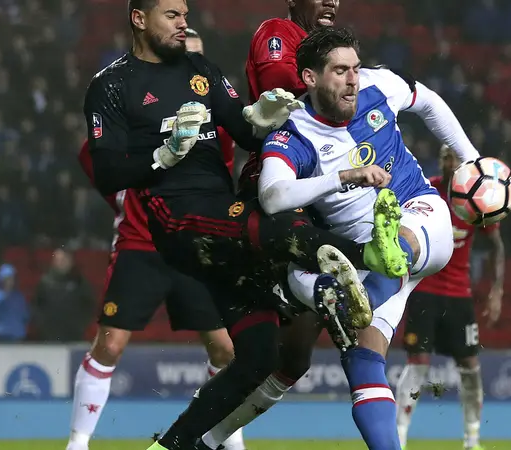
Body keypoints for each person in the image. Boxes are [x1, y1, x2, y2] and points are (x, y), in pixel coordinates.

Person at [81, 2, 407, 449]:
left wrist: (267, 117)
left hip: (221, 219)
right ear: (139, 19)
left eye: (185, 14)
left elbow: (247, 131)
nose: (183, 24)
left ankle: (170, 445)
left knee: (259, 355)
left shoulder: (200, 69)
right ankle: (360, 262)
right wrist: (162, 156)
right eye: (172, 15)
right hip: (178, 220)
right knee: (279, 227)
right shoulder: (112, 86)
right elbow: (106, 173)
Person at [196, 27, 483, 450]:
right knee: (362, 359)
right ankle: (209, 439)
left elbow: (426, 100)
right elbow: (273, 195)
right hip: (365, 263)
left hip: (421, 218)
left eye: (355, 68)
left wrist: (471, 160)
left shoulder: (378, 85)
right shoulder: (293, 132)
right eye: (340, 71)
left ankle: (376, 259)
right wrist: (342, 178)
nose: (353, 79)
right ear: (310, 78)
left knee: (383, 253)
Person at [69, 141, 244, 450]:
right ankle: (78, 443)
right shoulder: (135, 113)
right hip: (139, 244)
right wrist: (122, 197)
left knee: (226, 350)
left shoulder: (207, 111)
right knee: (109, 345)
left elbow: (225, 159)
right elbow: (92, 153)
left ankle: (230, 440)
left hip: (194, 245)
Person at [394, 145, 505, 450]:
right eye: (445, 157)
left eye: (455, 159)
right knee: (418, 362)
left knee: (470, 365)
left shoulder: (475, 198)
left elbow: (496, 244)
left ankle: (472, 438)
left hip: (459, 295)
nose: (449, 163)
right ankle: (399, 437)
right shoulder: (425, 190)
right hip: (424, 290)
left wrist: (497, 290)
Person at [238, 0, 338, 193]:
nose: (330, 2)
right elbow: (283, 88)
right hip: (275, 167)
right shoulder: (277, 31)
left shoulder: (331, 48)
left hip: (317, 167)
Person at [184, 28, 236, 175]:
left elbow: (227, 161)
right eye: (186, 55)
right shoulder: (153, 96)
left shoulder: (217, 96)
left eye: (198, 55)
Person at [33, 249, 93, 343]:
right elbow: (37, 305)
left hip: (74, 335)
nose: (62, 263)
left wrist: (80, 325)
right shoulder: (45, 282)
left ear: (71, 262)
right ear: (54, 262)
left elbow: (89, 306)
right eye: (59, 260)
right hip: (49, 336)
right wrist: (44, 325)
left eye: (64, 260)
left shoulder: (79, 282)